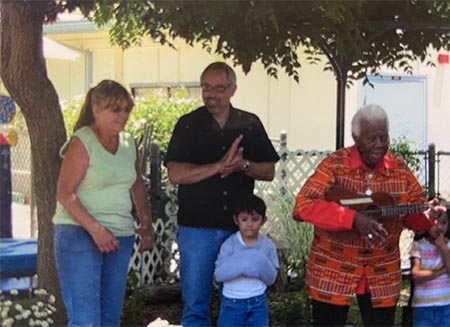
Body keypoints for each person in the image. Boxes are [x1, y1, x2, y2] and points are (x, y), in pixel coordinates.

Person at [292, 104, 445, 327]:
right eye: (372, 138)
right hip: (332, 269)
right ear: (356, 136)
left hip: (382, 270)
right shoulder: (334, 165)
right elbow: (303, 206)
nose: (380, 144)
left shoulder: (399, 169)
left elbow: (415, 215)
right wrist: (352, 218)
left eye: (384, 137)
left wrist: (428, 216)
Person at [165, 61, 280, 327]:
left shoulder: (249, 123)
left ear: (232, 90)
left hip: (240, 229)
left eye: (218, 88)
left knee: (242, 301)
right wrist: (218, 167)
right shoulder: (188, 124)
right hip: (197, 227)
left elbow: (269, 171)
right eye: (206, 87)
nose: (211, 94)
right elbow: (176, 174)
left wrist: (243, 165)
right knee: (195, 305)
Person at [53, 80, 155, 327]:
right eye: (115, 109)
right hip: (79, 232)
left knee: (110, 318)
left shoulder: (130, 143)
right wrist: (97, 230)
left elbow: (137, 183)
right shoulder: (83, 141)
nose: (123, 116)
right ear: (96, 110)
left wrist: (146, 223)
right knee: (86, 319)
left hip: (120, 234)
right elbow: (65, 194)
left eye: (126, 110)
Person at [215, 194, 279, 327]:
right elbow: (220, 274)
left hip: (258, 301)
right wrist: (247, 265)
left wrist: (245, 265)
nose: (249, 224)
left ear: (263, 220)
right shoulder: (229, 245)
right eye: (244, 219)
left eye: (255, 219)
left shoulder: (267, 246)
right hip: (232, 302)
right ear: (236, 220)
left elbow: (271, 277)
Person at [410, 210, 450, 327]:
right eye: (434, 222)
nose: (439, 227)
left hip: (446, 305)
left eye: (444, 222)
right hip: (423, 307)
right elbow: (416, 275)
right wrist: (442, 270)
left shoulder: (448, 246)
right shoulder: (418, 246)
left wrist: (443, 247)